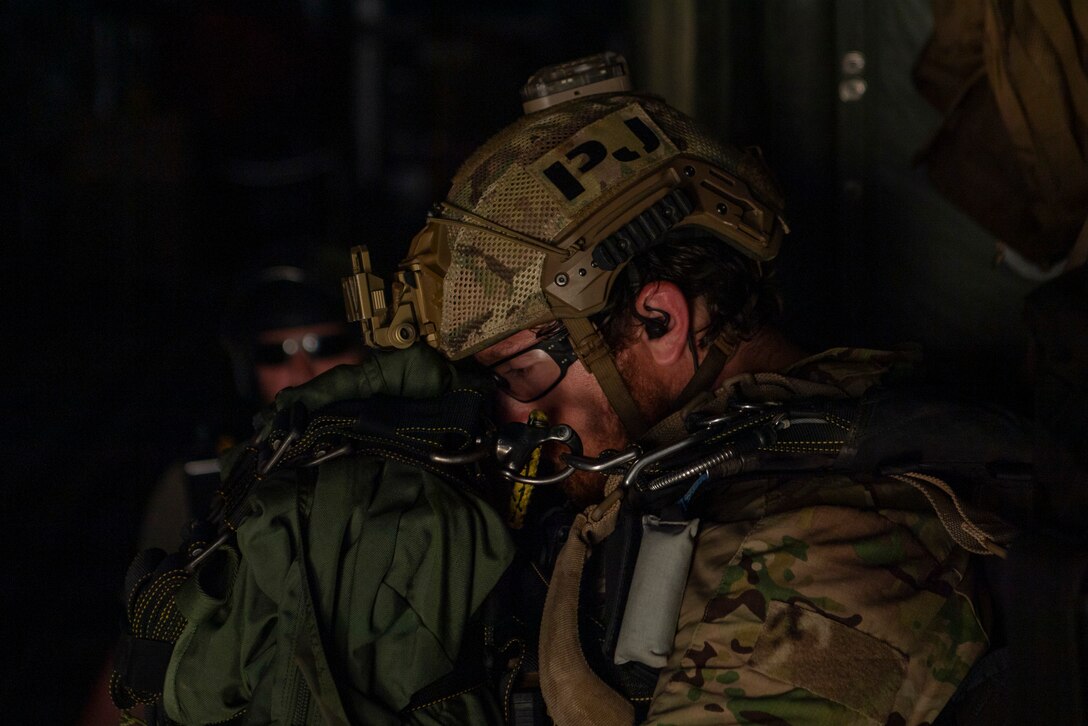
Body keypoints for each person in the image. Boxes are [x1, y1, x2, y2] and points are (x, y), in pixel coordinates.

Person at [340, 52, 1018, 724]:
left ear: (658, 321)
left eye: (522, 372)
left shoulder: (825, 548)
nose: (519, 413)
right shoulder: (685, 479)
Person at [138, 265, 366, 551]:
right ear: (247, 369)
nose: (301, 370)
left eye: (326, 346)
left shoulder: (419, 452)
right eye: (274, 353)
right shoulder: (202, 479)